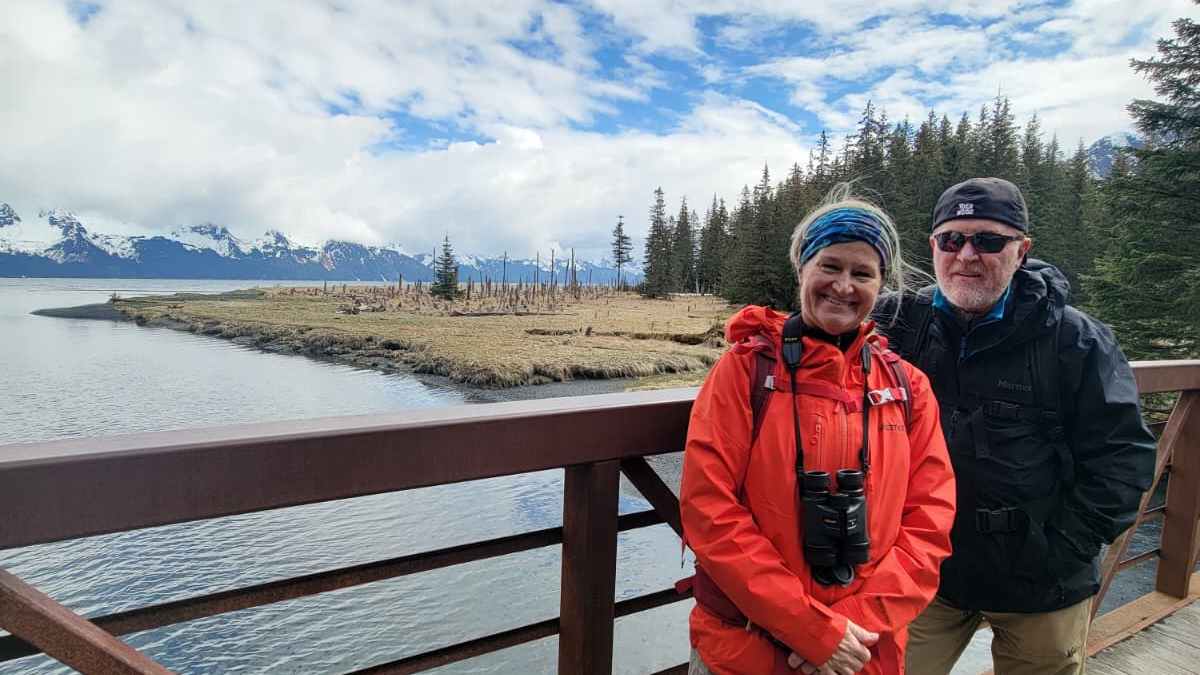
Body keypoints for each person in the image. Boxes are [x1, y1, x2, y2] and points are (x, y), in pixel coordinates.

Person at [878, 178, 1157, 675]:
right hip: (926, 570)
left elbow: (1123, 459)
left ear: (1021, 250)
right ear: (933, 246)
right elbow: (817, 335)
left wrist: (1062, 549)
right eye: (951, 239)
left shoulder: (1077, 340)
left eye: (988, 240)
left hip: (1043, 581)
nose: (966, 254)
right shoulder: (899, 324)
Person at [680, 185, 957, 675]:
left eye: (862, 273)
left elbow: (930, 524)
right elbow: (709, 509)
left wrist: (843, 632)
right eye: (829, 266)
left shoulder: (908, 386)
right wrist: (810, 631)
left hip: (860, 654)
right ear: (802, 268)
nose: (843, 286)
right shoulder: (744, 372)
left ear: (881, 285)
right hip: (748, 650)